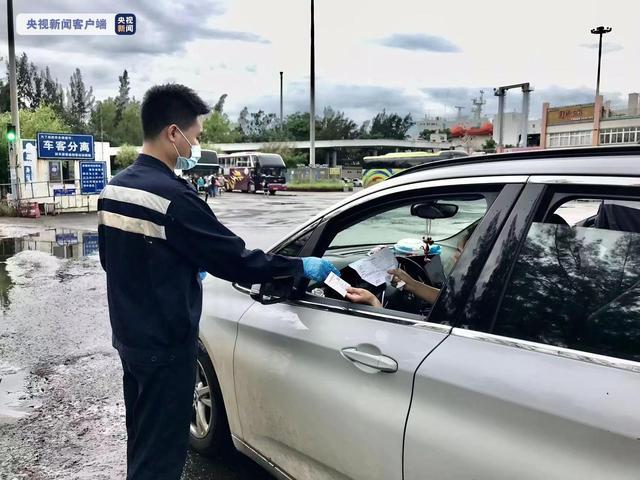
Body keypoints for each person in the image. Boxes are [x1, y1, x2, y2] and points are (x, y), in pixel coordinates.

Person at [97, 83, 339, 480]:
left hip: (129, 340)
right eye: (195, 136)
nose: (197, 145)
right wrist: (299, 268)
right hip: (167, 345)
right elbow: (236, 260)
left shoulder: (114, 187)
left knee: (141, 440)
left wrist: (172, 267)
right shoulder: (175, 197)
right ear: (173, 133)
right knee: (161, 458)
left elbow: (112, 260)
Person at [346, 235, 469, 309]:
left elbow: (389, 333)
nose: (454, 256)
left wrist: (372, 300)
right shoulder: (473, 292)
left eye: (459, 251)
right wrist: (411, 284)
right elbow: (450, 300)